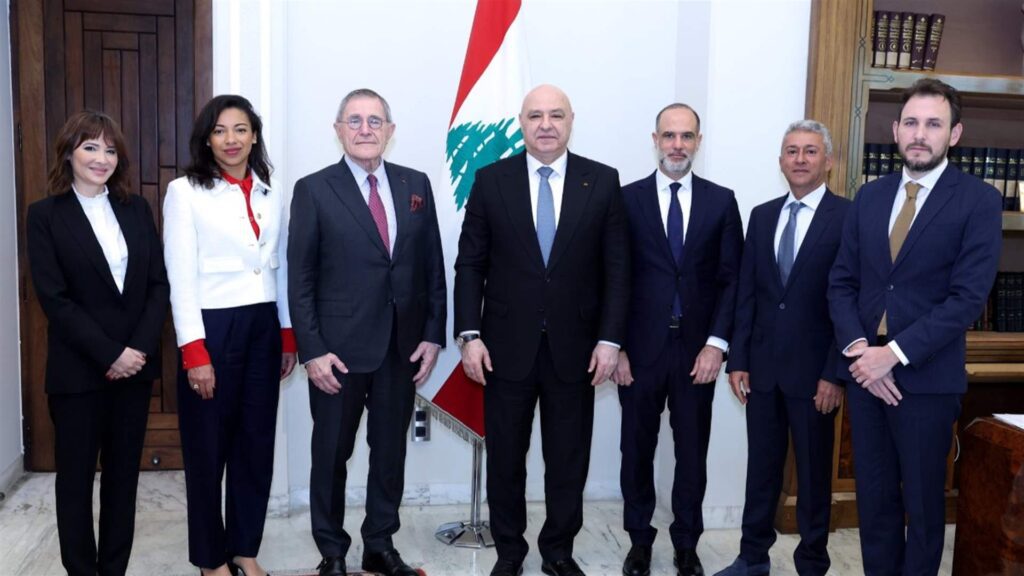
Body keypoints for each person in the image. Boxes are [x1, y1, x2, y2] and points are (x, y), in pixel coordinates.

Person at [454, 84, 630, 576]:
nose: (546, 125)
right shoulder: (491, 180)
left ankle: (558, 551)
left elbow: (618, 269)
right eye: (535, 116)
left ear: (571, 121)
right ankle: (509, 552)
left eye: (556, 115)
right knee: (506, 459)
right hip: (504, 348)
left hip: (578, 349)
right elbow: (470, 264)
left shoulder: (602, 180)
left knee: (568, 460)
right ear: (522, 123)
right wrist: (469, 335)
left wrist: (610, 340)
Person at [829, 78, 1001, 574]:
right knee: (875, 503)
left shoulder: (978, 200)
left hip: (925, 379)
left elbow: (967, 298)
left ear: (955, 134)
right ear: (895, 130)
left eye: (933, 124)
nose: (920, 134)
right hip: (865, 376)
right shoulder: (869, 196)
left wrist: (892, 354)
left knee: (923, 510)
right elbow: (842, 283)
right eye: (911, 123)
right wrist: (862, 352)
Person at [288, 88, 446, 576]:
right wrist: (312, 350)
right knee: (331, 454)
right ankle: (332, 552)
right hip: (337, 353)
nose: (364, 130)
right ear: (338, 130)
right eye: (354, 121)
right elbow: (300, 278)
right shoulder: (314, 189)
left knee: (390, 453)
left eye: (374, 121)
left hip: (401, 347)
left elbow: (432, 265)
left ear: (390, 131)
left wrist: (433, 334)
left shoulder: (415, 184)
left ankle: (379, 544)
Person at [26, 110, 169, 576]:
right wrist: (110, 353)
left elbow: (157, 285)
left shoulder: (136, 209)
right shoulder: (45, 216)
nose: (101, 158)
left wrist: (137, 352)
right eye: (90, 147)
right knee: (75, 483)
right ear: (69, 153)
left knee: (123, 482)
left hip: (134, 370)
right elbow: (55, 299)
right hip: (78, 373)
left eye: (110, 150)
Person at [163, 94, 296, 576]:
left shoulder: (270, 192)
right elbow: (180, 275)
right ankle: (210, 560)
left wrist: (286, 333)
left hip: (263, 326)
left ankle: (244, 550)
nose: (231, 139)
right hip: (212, 329)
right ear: (207, 139)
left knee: (255, 445)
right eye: (219, 131)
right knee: (207, 449)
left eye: (240, 129)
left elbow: (278, 266)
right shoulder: (185, 192)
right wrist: (194, 351)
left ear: (254, 136)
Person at [613, 103, 742, 576]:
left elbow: (732, 280)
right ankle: (639, 541)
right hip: (638, 352)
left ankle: (686, 544)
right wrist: (616, 346)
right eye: (669, 135)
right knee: (635, 452)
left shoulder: (721, 201)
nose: (677, 145)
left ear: (698, 142)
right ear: (655, 140)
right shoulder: (625, 200)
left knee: (691, 454)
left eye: (686, 136)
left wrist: (716, 345)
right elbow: (613, 277)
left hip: (696, 353)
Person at [717, 120, 849, 576]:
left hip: (816, 377)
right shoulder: (762, 215)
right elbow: (748, 293)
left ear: (828, 161)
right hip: (763, 371)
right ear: (780, 161)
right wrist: (738, 360)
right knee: (761, 471)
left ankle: (812, 563)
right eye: (792, 151)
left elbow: (850, 303)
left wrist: (834, 373)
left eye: (810, 151)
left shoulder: (847, 218)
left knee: (813, 477)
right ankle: (752, 557)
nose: (800, 159)